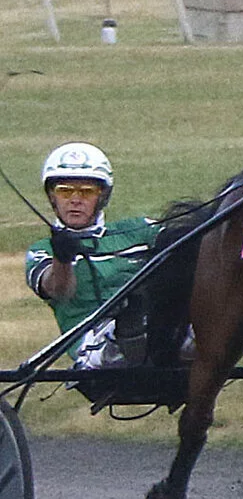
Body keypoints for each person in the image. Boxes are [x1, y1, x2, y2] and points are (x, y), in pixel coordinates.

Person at [23, 143, 164, 370]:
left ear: (103, 196)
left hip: (159, 326)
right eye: (64, 191)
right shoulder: (42, 251)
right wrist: (63, 258)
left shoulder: (140, 230)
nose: (75, 199)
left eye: (87, 191)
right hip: (93, 345)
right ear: (52, 197)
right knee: (130, 325)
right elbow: (60, 291)